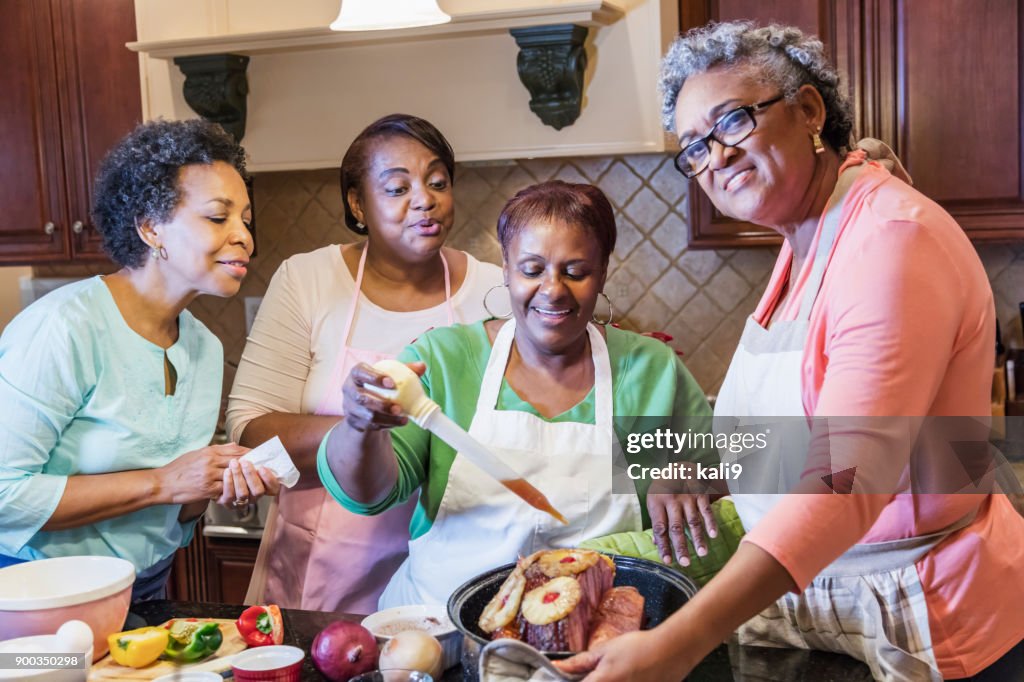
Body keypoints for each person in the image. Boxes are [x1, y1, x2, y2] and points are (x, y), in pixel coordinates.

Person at [557, 21, 1024, 682]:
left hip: (923, 621)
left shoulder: (891, 241)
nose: (713, 157)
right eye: (693, 146)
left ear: (808, 110)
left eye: (733, 122)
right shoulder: (805, 237)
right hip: (823, 609)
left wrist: (679, 644)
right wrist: (702, 467)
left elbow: (848, 477)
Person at [318, 180, 714, 609]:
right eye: (531, 269)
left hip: (593, 642)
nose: (553, 289)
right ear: (505, 269)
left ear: (602, 273)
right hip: (439, 633)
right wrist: (359, 426)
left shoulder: (649, 370)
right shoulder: (444, 360)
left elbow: (748, 465)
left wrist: (688, 469)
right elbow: (370, 494)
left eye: (576, 271)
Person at [226, 114, 506, 613]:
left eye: (438, 182)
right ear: (358, 202)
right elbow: (250, 430)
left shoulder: (494, 291)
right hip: (322, 577)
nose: (425, 199)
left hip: (451, 575)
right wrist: (358, 429)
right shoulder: (307, 280)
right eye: (397, 187)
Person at [0, 119, 280, 602]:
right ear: (150, 228)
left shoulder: (204, 347)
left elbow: (175, 507)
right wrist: (162, 483)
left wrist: (213, 484)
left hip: (145, 591)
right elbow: (5, 494)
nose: (244, 237)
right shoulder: (63, 329)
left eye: (246, 219)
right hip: (38, 598)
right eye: (218, 218)